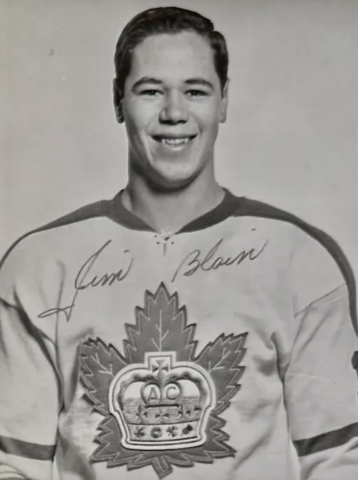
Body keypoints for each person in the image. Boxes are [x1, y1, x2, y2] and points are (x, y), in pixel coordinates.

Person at [0, 6, 357, 480]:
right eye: (151, 91)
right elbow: (12, 465)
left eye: (195, 90)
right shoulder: (38, 265)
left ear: (224, 101)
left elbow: (341, 461)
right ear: (117, 100)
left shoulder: (301, 259)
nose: (173, 113)